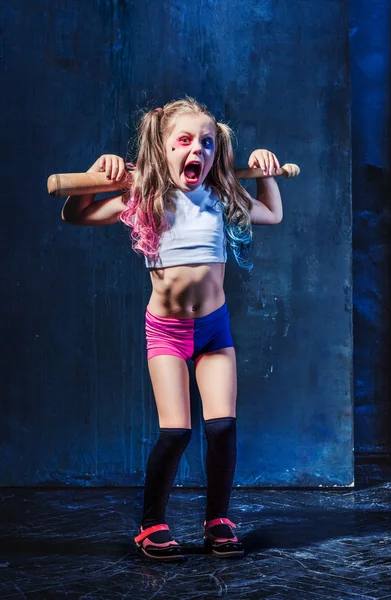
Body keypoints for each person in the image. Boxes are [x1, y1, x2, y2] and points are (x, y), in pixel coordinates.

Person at [61, 97, 286, 561]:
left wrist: (265, 169)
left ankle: (218, 519)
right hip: (167, 332)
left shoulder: (222, 195)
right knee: (177, 431)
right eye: (184, 141)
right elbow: (75, 215)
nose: (197, 151)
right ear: (161, 150)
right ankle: (152, 523)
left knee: (222, 427)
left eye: (207, 143)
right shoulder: (143, 197)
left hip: (214, 332)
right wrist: (93, 175)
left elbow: (272, 213)